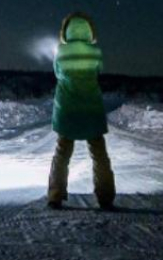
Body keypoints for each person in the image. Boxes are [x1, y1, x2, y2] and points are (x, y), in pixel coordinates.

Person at [47, 11, 116, 210]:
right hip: (91, 109)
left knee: (62, 154)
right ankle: (105, 198)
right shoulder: (95, 52)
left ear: (66, 30)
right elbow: (98, 71)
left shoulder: (61, 51)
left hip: (67, 109)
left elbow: (58, 74)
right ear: (89, 30)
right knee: (99, 155)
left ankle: (55, 196)